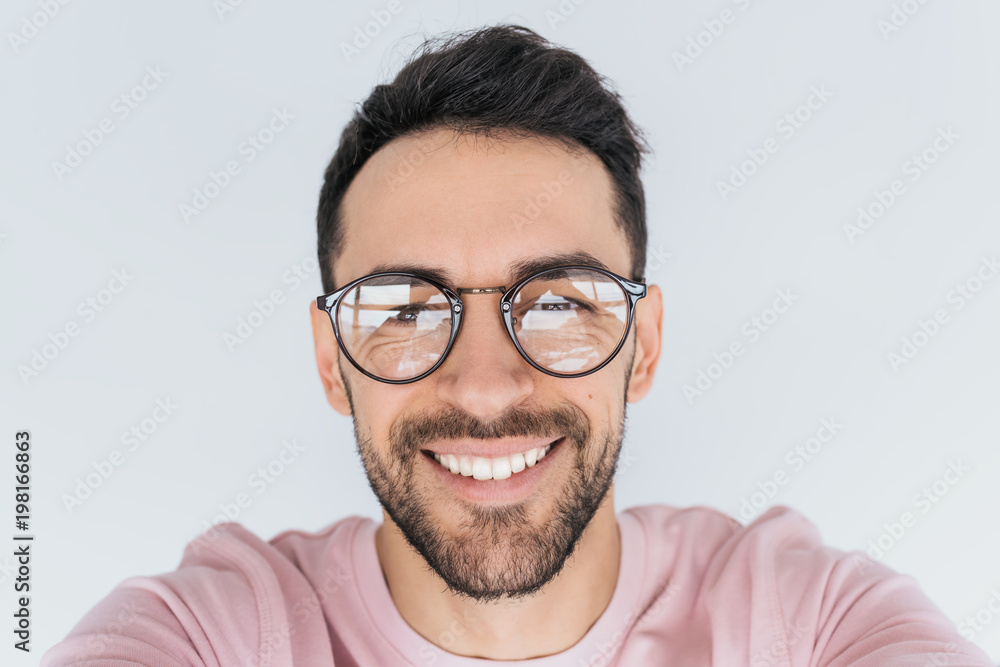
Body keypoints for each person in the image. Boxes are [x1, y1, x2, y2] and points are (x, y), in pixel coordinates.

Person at [43, 24, 993, 666]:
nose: (488, 385)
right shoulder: (212, 634)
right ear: (332, 361)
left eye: (556, 302)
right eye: (406, 308)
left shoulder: (808, 623)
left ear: (644, 345)